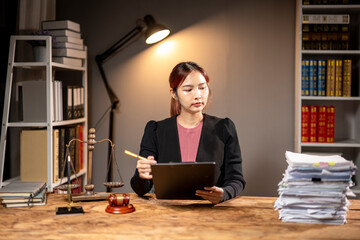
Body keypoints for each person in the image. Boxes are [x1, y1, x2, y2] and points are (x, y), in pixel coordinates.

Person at [130, 61, 245, 203]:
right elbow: (140, 189)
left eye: (203, 88)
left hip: (212, 214)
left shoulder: (224, 128)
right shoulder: (156, 130)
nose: (198, 95)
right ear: (174, 93)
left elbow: (236, 179)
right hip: (167, 215)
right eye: (188, 90)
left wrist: (224, 193)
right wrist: (142, 175)